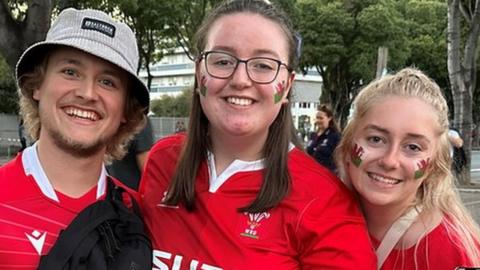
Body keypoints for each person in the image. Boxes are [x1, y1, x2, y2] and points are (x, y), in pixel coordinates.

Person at [139, 0, 376, 269]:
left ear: (286, 86)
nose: (240, 79)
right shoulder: (163, 161)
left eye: (263, 65)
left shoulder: (325, 202)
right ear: (199, 73)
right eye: (223, 61)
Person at [0, 8, 150, 269]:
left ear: (126, 109)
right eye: (70, 72)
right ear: (37, 85)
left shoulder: (138, 215)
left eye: (107, 81)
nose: (87, 93)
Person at [336, 67, 480, 269]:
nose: (390, 161)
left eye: (413, 147)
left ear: (434, 163)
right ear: (348, 145)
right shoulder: (314, 222)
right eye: (376, 139)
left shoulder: (454, 253)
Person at [107, 117, 154, 190]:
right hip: (130, 195)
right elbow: (148, 172)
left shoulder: (109, 121)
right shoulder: (140, 121)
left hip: (113, 192)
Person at [306, 104, 341, 173]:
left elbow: (340, 159)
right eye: (317, 118)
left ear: (329, 118)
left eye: (321, 118)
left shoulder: (335, 136)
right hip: (311, 174)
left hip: (327, 176)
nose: (318, 120)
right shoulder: (313, 135)